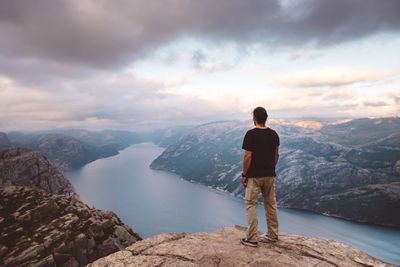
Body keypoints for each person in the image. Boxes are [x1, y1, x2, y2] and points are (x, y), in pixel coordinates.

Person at [240, 106, 280, 247]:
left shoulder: (251, 134)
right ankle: (273, 235)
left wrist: (244, 174)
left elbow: (247, 156)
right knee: (271, 204)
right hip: (269, 174)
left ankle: (252, 238)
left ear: (254, 118)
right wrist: (271, 167)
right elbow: (276, 155)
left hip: (254, 176)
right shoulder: (274, 134)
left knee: (251, 204)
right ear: (266, 118)